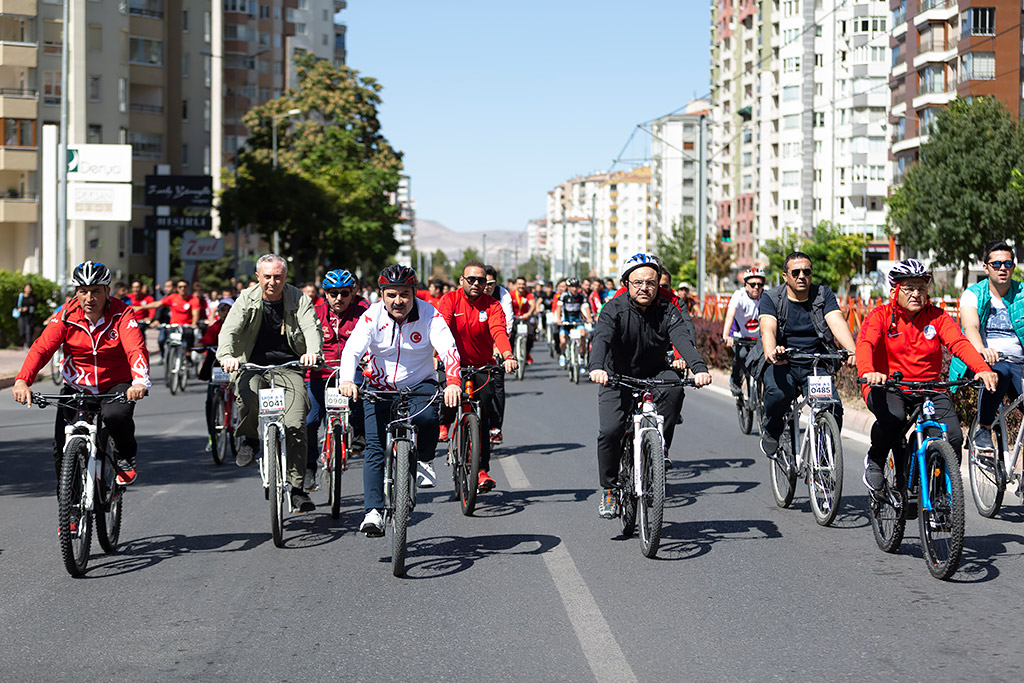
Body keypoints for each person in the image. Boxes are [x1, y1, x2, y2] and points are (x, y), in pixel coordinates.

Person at [338, 265, 462, 536]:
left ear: (413, 293)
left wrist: (453, 381)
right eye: (391, 294)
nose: (398, 301)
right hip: (379, 387)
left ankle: (425, 459)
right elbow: (352, 350)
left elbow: (448, 349)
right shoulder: (371, 316)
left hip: (419, 383)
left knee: (429, 418)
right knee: (373, 449)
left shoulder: (429, 314)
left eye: (405, 294)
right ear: (382, 294)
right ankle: (373, 511)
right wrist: (347, 380)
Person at [588, 253, 712, 518]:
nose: (644, 288)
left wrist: (699, 368)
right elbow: (601, 339)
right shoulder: (614, 308)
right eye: (638, 282)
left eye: (651, 282)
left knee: (675, 388)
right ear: (627, 283)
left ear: (659, 285)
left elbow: (682, 339)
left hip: (655, 371)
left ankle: (659, 446)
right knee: (610, 431)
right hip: (616, 375)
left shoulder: (668, 310)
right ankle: (609, 490)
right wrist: (597, 367)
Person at [858, 259, 997, 491]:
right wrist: (869, 372)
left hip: (930, 388)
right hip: (889, 386)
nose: (916, 294)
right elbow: (865, 344)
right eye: (909, 288)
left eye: (921, 288)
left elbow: (958, 343)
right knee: (894, 420)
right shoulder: (880, 316)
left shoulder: (937, 317)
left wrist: (982, 368)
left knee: (952, 437)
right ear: (894, 291)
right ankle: (876, 458)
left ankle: (940, 491)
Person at [12, 261, 150, 489]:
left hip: (115, 384)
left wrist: (139, 381)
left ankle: (125, 457)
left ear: (107, 290)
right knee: (61, 447)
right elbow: (42, 348)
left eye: (95, 291)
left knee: (115, 416)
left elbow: (135, 348)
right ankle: (71, 515)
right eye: (83, 291)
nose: (89, 298)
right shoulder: (66, 314)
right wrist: (21, 381)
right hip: (77, 386)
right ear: (76, 293)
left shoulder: (122, 312)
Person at [217, 254, 322, 513]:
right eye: (267, 277)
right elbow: (229, 330)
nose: (272, 282)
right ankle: (251, 439)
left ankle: (296, 489)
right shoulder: (246, 299)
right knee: (248, 395)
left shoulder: (299, 298)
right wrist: (227, 357)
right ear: (258, 277)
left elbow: (311, 328)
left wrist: (312, 353)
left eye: (278, 276)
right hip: (252, 366)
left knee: (297, 423)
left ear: (285, 277)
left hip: (290, 367)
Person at [754, 251, 858, 456]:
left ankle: (823, 458)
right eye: (796, 272)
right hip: (783, 362)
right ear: (786, 276)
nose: (802, 276)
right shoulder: (771, 297)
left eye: (806, 271)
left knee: (832, 407)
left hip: (814, 363)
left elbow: (836, 321)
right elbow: (768, 328)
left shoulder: (823, 294)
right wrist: (772, 351)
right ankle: (772, 431)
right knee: (778, 395)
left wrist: (852, 350)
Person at [437, 260, 517, 492]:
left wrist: (508, 354)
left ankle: (481, 470)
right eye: (470, 279)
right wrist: (436, 355)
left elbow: (498, 331)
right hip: (454, 364)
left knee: (482, 419)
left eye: (481, 280)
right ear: (461, 281)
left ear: (486, 283)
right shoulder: (450, 300)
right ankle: (445, 421)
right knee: (449, 398)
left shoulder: (492, 305)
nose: (475, 283)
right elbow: (442, 328)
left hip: (483, 366)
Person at [950, 239, 1024, 452]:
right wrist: (982, 350)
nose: (1003, 268)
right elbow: (970, 326)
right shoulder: (974, 293)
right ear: (986, 267)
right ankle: (982, 429)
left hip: (1019, 364)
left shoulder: (1021, 293)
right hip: (988, 362)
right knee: (999, 370)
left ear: (1013, 267)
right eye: (997, 264)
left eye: (1008, 264)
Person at [305, 269, 369, 490]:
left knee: (360, 390)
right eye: (333, 294)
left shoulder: (363, 311)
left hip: (351, 371)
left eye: (344, 293)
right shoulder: (314, 312)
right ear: (325, 294)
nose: (339, 298)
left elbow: (375, 336)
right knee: (310, 422)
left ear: (353, 293)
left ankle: (359, 431)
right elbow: (302, 340)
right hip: (319, 373)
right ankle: (309, 468)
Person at [722, 267, 766, 396]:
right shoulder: (739, 295)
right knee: (741, 356)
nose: (756, 287)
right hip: (741, 336)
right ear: (745, 285)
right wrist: (726, 335)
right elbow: (730, 315)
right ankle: (735, 379)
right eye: (752, 284)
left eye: (760, 284)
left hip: (759, 338)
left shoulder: (766, 295)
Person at [136, 279, 201, 361]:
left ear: (188, 288)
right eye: (180, 287)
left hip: (186, 326)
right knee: (164, 340)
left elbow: (195, 314)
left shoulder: (193, 299)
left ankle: (188, 355)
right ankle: (166, 358)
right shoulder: (173, 297)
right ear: (177, 288)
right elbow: (158, 304)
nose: (182, 289)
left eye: (184, 287)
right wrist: (140, 308)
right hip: (174, 326)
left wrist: (194, 324)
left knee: (189, 335)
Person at [484, 267, 513, 444]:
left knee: (497, 384)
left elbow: (506, 324)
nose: (486, 287)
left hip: (498, 342)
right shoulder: (471, 295)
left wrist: (500, 349)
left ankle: (495, 427)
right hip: (475, 344)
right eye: (482, 283)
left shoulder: (503, 295)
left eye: (490, 284)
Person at [555, 277, 592, 367]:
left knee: (583, 335)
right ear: (568, 287)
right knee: (563, 340)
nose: (574, 289)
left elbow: (586, 307)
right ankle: (563, 354)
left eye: (576, 287)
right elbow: (559, 308)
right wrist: (558, 319)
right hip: (566, 322)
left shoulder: (581, 296)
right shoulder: (563, 296)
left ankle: (581, 356)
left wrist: (589, 317)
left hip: (578, 321)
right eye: (572, 287)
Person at [510, 276, 537, 364]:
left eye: (523, 284)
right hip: (513, 318)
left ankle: (526, 353)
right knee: (511, 336)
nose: (521, 286)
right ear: (515, 285)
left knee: (530, 336)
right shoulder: (511, 294)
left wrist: (529, 313)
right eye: (519, 284)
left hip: (525, 318)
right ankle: (509, 356)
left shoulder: (529, 295)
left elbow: (532, 305)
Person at [14, 283, 37, 348]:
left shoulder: (33, 297)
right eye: (27, 288)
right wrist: (19, 309)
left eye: (29, 288)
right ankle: (25, 342)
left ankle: (28, 345)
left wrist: (27, 309)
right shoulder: (20, 296)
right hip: (21, 316)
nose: (28, 289)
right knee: (21, 331)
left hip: (29, 317)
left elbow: (35, 308)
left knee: (28, 331)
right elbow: (16, 305)